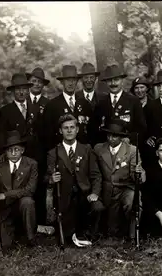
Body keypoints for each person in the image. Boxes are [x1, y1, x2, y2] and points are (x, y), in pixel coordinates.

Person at [46, 114, 104, 247]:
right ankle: (72, 235)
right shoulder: (53, 152)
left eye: (72, 127)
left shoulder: (87, 149)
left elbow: (96, 175)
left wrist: (95, 193)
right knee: (66, 230)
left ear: (77, 129)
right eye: (65, 128)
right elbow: (46, 177)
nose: (69, 130)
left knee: (97, 207)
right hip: (64, 196)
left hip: (85, 194)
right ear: (60, 131)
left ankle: (90, 235)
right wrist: (51, 179)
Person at [93, 119, 146, 243]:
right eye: (109, 135)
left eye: (115, 135)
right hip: (107, 189)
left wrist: (138, 173)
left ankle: (133, 235)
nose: (111, 138)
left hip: (126, 187)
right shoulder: (98, 148)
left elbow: (137, 175)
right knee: (112, 229)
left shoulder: (132, 150)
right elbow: (95, 172)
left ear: (122, 137)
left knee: (132, 202)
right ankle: (111, 232)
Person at [0, 130, 38, 250]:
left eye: (16, 149)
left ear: (22, 150)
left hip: (21, 205)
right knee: (6, 245)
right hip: (5, 209)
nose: (13, 153)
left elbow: (30, 189)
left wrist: (6, 194)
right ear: (5, 151)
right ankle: (10, 233)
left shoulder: (31, 164)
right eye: (9, 150)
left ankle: (30, 238)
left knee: (28, 202)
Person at [89, 64, 146, 148]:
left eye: (116, 80)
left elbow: (141, 128)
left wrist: (129, 139)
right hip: (106, 152)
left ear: (122, 80)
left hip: (127, 149)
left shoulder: (133, 101)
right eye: (110, 81)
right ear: (106, 82)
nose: (113, 83)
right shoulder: (101, 103)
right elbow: (93, 129)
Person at [43, 65, 93, 152]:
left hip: (82, 153)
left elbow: (91, 131)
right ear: (62, 82)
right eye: (67, 80)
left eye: (73, 80)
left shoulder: (85, 103)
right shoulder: (52, 105)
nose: (71, 83)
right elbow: (47, 135)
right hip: (61, 153)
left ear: (77, 81)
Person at [26, 67, 50, 229]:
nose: (36, 84)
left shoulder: (47, 104)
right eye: (33, 81)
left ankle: (40, 221)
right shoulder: (22, 101)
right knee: (25, 187)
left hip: (42, 153)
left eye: (39, 82)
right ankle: (26, 222)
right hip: (24, 153)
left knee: (40, 188)